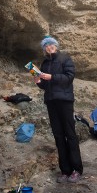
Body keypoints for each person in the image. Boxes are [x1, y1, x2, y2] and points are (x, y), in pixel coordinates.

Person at [34, 35, 83, 183]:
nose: (49, 47)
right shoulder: (44, 63)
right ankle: (65, 170)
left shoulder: (65, 59)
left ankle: (77, 169)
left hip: (65, 101)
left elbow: (69, 77)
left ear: (56, 45)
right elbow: (44, 85)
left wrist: (52, 77)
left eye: (51, 44)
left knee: (70, 134)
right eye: (46, 46)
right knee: (58, 135)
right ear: (44, 49)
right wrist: (38, 81)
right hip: (51, 102)